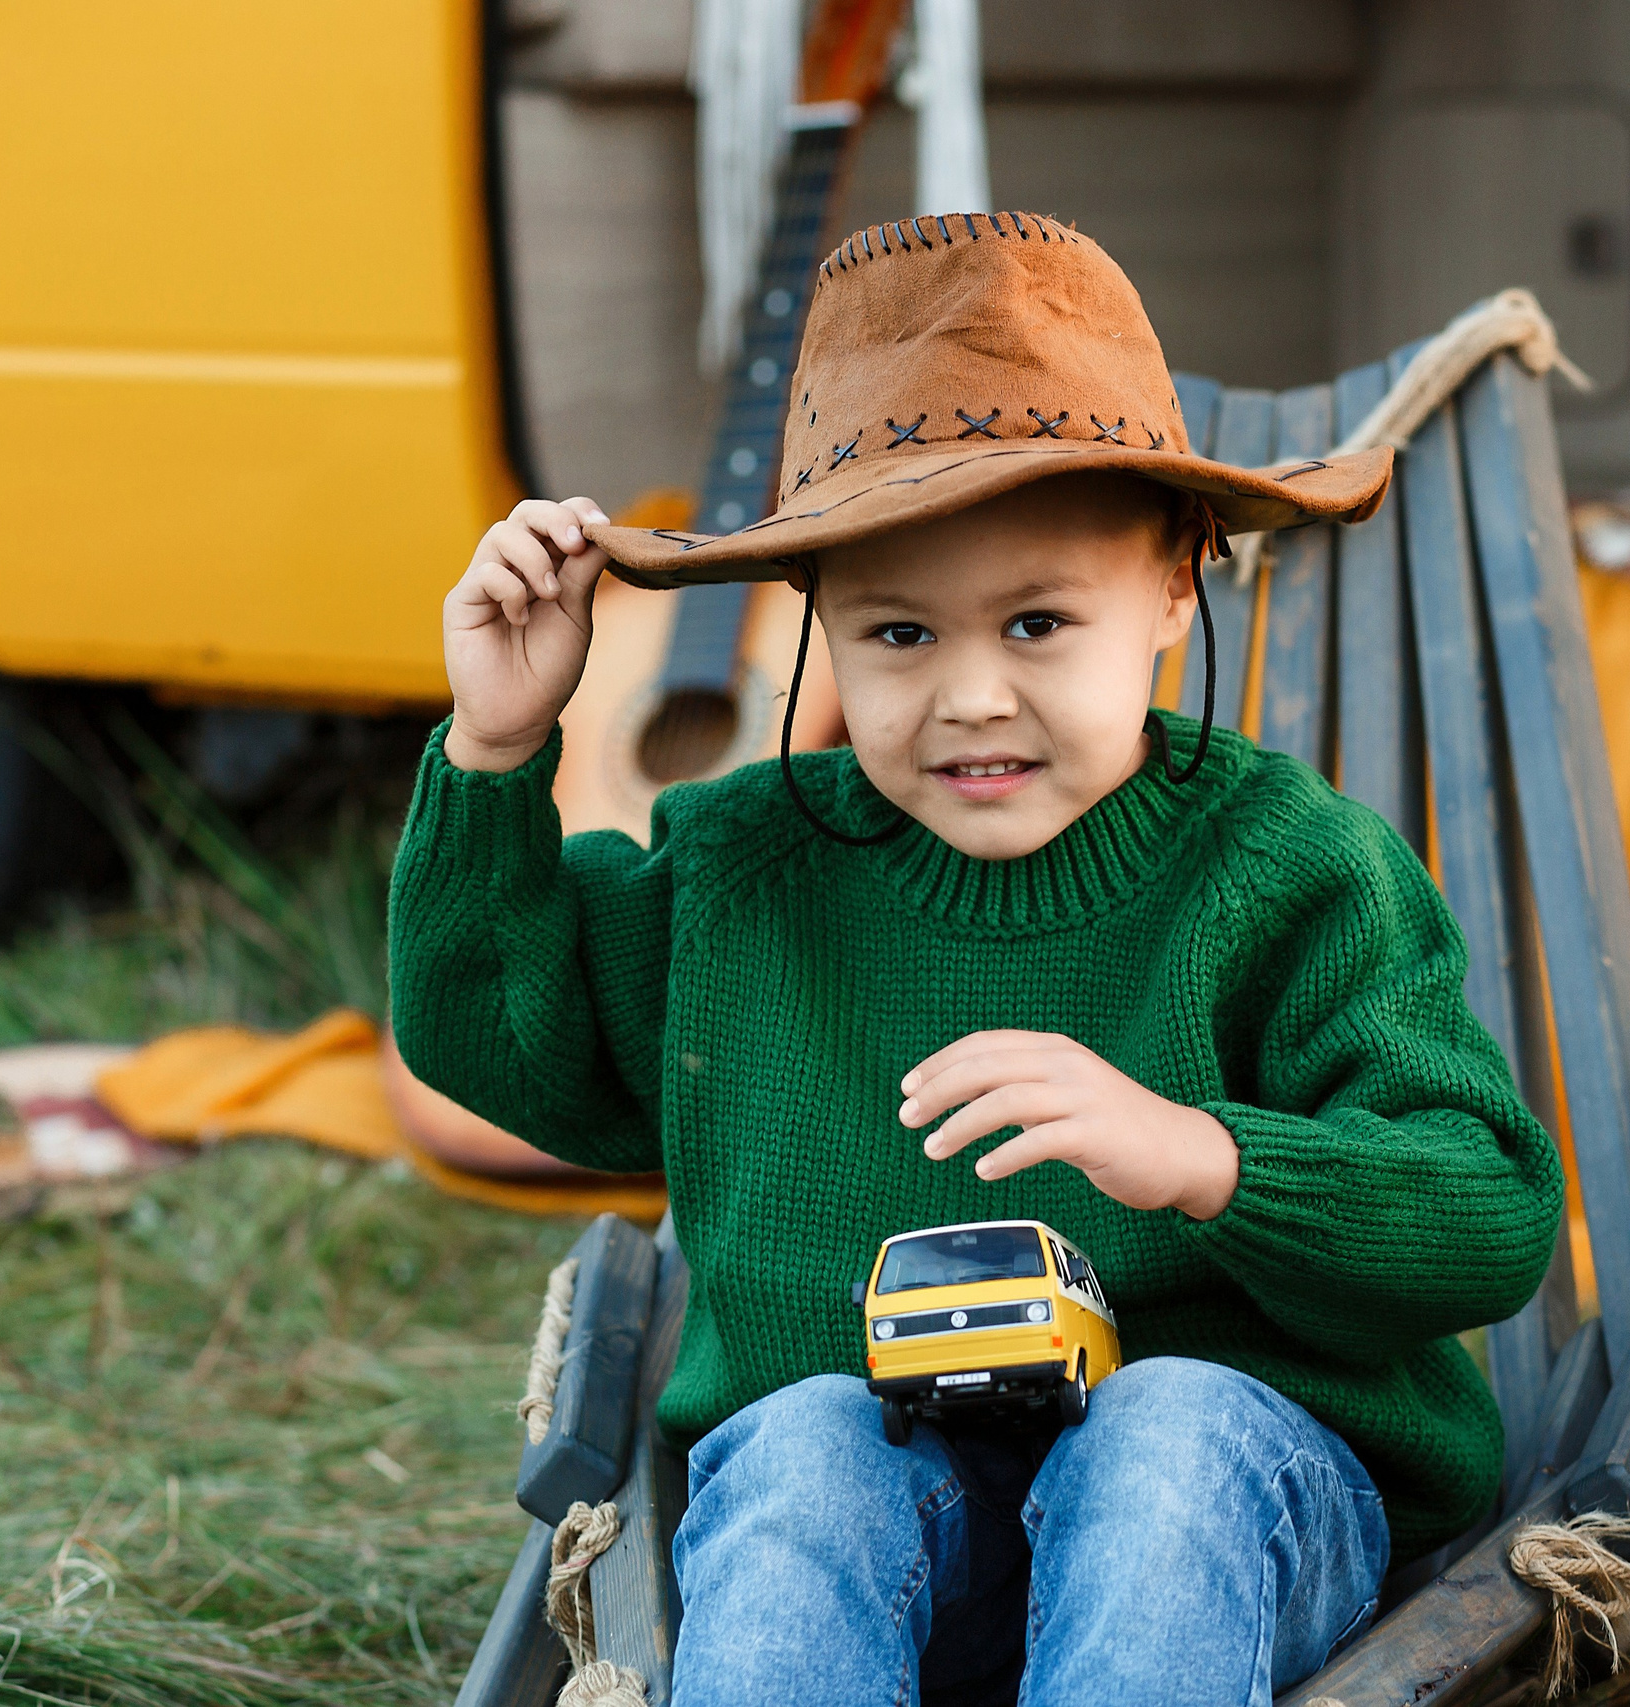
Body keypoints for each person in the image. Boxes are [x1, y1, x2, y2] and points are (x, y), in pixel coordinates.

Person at [389, 212, 1563, 1707]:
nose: (972, 695)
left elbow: (1491, 1214)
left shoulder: (1281, 865)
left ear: (1171, 593)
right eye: (897, 635)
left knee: (1170, 1427)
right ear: (815, 619)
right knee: (805, 1445)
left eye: (1036, 621)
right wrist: (496, 746)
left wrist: (1204, 1156)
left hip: (1225, 1537)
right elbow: (490, 1036)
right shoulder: (747, 871)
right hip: (873, 1550)